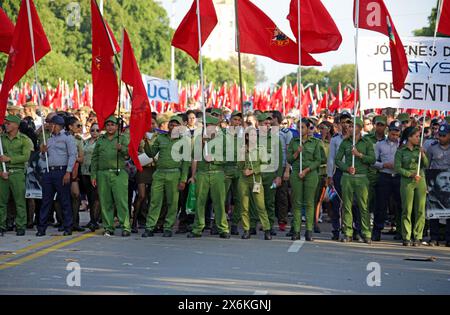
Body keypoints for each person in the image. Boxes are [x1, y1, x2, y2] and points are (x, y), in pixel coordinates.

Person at [142, 116, 188, 238]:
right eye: (171, 125)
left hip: (174, 174)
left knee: (172, 202)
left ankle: (168, 227)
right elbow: (151, 153)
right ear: (168, 126)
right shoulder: (160, 138)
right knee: (155, 201)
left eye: (176, 125)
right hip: (159, 173)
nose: (173, 127)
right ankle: (150, 226)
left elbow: (186, 162)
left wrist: (183, 179)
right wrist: (146, 142)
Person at [187, 114, 230, 239]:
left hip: (217, 173)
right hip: (202, 174)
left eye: (211, 126)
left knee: (219, 202)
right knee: (200, 202)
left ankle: (223, 228)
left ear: (216, 126)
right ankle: (198, 228)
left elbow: (228, 157)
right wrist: (193, 175)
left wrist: (214, 159)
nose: (209, 128)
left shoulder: (223, 139)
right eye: (207, 126)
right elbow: (195, 158)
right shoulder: (200, 139)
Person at [335, 117, 375, 244]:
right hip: (347, 178)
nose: (350, 128)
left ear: (360, 128)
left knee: (363, 207)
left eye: (353, 126)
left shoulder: (366, 142)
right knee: (347, 206)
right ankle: (347, 232)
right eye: (349, 126)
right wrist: (346, 168)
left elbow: (372, 159)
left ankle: (366, 233)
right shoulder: (345, 142)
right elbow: (337, 160)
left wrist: (359, 155)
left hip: (362, 178)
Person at [37, 115, 77, 236]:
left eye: (50, 124)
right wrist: (42, 153)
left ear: (57, 125)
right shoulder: (48, 139)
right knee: (46, 201)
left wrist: (68, 172)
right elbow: (44, 158)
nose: (48, 126)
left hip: (62, 171)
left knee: (64, 200)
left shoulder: (67, 138)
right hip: (49, 171)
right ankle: (41, 228)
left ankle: (68, 227)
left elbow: (72, 155)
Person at [91, 116, 131, 237]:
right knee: (105, 201)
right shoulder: (101, 140)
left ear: (117, 127)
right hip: (103, 173)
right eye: (108, 125)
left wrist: (122, 149)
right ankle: (108, 227)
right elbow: (95, 158)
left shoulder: (122, 138)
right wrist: (93, 175)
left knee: (121, 201)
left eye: (112, 125)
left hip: (118, 173)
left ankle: (126, 226)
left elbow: (129, 154)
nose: (110, 127)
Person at [287, 118, 321, 241]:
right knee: (296, 202)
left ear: (307, 129)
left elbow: (318, 160)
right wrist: (297, 152)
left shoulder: (315, 142)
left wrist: (306, 170)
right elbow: (289, 159)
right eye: (298, 127)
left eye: (303, 127)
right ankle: (296, 230)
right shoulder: (294, 141)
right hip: (296, 172)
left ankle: (308, 231)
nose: (300, 129)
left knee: (309, 202)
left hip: (310, 173)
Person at [394, 126, 429, 246]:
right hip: (407, 181)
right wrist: (410, 174)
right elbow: (397, 167)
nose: (419, 139)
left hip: (421, 180)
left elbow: (426, 164)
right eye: (416, 136)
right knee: (407, 209)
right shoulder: (401, 151)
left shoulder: (419, 150)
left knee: (420, 209)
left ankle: (418, 236)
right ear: (409, 137)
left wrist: (423, 154)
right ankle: (406, 236)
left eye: (419, 136)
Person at [0, 115, 34, 236]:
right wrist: (1, 171)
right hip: (3, 173)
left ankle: (21, 225)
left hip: (17, 173)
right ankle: (1, 225)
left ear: (16, 125)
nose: (6, 125)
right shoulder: (1, 139)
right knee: (1, 202)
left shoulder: (24, 139)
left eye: (8, 123)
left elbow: (26, 157)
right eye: (5, 123)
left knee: (19, 201)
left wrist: (9, 159)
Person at [237, 126, 272, 240]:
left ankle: (267, 229)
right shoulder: (242, 148)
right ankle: (246, 230)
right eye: (250, 135)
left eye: (254, 135)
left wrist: (253, 171)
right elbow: (239, 166)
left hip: (256, 179)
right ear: (246, 136)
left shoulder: (260, 148)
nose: (253, 137)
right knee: (244, 206)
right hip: (244, 180)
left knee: (260, 206)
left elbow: (266, 164)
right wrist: (244, 168)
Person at [372, 120, 402, 241]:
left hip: (398, 176)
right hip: (384, 176)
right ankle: (377, 231)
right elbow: (372, 161)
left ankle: (401, 231)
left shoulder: (402, 145)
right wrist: (383, 165)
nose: (394, 136)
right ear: (388, 131)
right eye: (392, 133)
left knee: (400, 205)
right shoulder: (379, 144)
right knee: (381, 205)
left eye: (397, 134)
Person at [426, 123, 450, 247]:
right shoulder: (432, 148)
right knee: (434, 211)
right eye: (439, 135)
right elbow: (427, 164)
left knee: (449, 212)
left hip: (449, 182)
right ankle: (434, 238)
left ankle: (448, 238)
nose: (441, 138)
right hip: (434, 181)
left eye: (444, 135)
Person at [66, 116, 85, 232]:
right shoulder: (61, 138)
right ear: (70, 127)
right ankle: (65, 222)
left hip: (74, 171)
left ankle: (75, 222)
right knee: (62, 197)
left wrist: (72, 158)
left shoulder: (78, 140)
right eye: (77, 125)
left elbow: (81, 158)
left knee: (76, 195)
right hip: (61, 170)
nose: (80, 128)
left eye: (81, 126)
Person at [81, 123, 100, 232]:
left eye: (97, 130)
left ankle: (94, 220)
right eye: (92, 130)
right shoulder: (86, 141)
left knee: (95, 196)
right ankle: (91, 219)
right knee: (89, 196)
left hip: (95, 172)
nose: (94, 132)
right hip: (84, 171)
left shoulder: (101, 142)